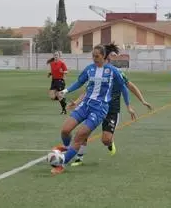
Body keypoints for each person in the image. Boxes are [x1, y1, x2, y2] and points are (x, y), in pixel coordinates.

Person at [50, 44, 136, 175]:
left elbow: (123, 87)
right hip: (85, 105)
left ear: (103, 56)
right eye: (93, 56)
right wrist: (65, 91)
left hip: (99, 109)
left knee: (79, 136)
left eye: (97, 56)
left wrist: (128, 105)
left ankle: (61, 164)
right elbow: (79, 82)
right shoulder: (89, 69)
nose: (94, 59)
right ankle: (67, 148)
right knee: (65, 130)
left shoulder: (113, 71)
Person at [67, 46, 153, 166]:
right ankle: (79, 158)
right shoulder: (95, 71)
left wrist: (140, 102)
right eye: (112, 55)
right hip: (95, 106)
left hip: (112, 109)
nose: (113, 57)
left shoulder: (116, 72)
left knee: (105, 139)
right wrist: (77, 102)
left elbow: (129, 87)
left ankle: (109, 142)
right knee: (83, 132)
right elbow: (89, 91)